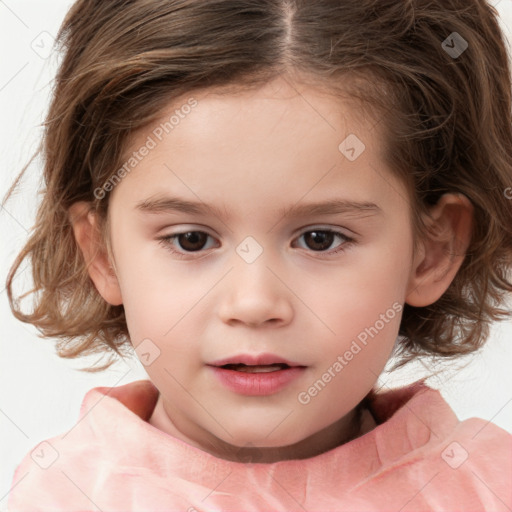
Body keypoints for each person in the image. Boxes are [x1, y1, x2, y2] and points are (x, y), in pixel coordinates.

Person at [4, 0, 512, 510]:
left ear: (432, 251)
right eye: (191, 240)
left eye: (320, 239)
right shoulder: (60, 497)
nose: (253, 303)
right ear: (103, 255)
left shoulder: (491, 488)